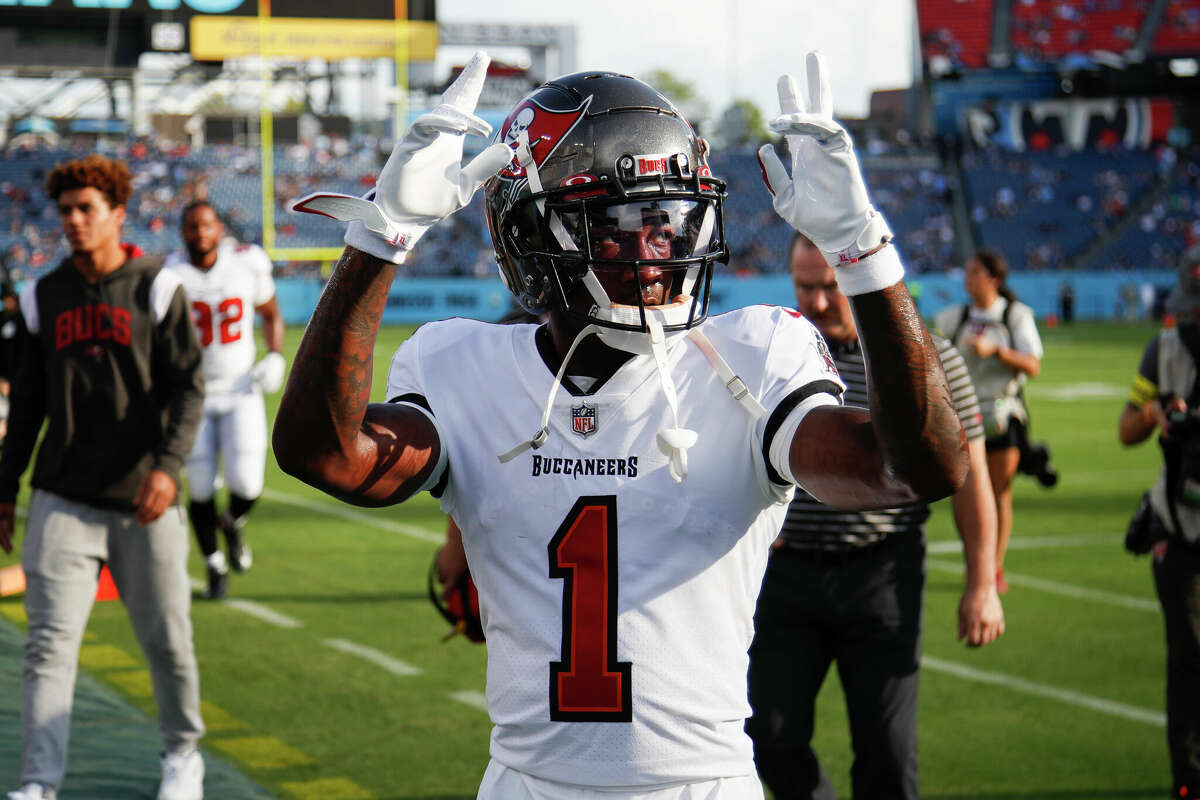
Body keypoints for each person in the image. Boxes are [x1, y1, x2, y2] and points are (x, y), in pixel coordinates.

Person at [275, 52, 967, 797]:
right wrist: (379, 240)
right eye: (619, 224)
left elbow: (914, 470)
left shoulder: (751, 358)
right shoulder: (461, 364)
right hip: (528, 784)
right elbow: (325, 455)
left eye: (669, 216)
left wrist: (863, 254)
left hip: (704, 785)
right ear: (530, 237)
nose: (658, 247)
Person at [746, 233, 1005, 800]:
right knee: (768, 735)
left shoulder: (924, 359)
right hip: (785, 578)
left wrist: (983, 582)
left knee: (888, 753)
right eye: (804, 286)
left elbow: (972, 482)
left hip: (882, 573)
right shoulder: (777, 357)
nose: (816, 302)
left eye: (830, 289)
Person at [0, 155, 207, 800]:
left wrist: (169, 470)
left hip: (144, 497)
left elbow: (189, 389)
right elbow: (26, 407)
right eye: (65, 210)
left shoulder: (159, 287)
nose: (73, 221)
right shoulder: (42, 296)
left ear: (118, 213)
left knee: (167, 638)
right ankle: (38, 783)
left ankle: (182, 756)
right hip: (63, 495)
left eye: (86, 208)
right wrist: (4, 491)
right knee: (48, 645)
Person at [165, 201, 286, 599]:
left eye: (206, 225)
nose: (200, 232)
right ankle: (214, 566)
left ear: (219, 229)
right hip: (193, 395)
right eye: (192, 226)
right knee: (199, 489)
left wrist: (274, 354)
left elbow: (270, 313)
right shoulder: (170, 275)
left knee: (247, 484)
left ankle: (232, 523)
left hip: (239, 390)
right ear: (182, 232)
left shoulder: (245, 264)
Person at [1118, 246, 1200, 800]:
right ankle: (1189, 781)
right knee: (1189, 658)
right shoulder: (1163, 348)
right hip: (1181, 523)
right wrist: (1153, 415)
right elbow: (1127, 429)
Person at [935, 250, 1042, 594]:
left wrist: (996, 351)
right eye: (966, 271)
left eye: (976, 272)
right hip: (962, 416)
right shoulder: (955, 317)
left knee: (997, 493)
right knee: (962, 492)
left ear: (994, 279)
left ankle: (993, 567)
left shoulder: (1015, 316)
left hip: (1001, 415)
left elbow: (1033, 366)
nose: (968, 278)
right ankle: (975, 561)